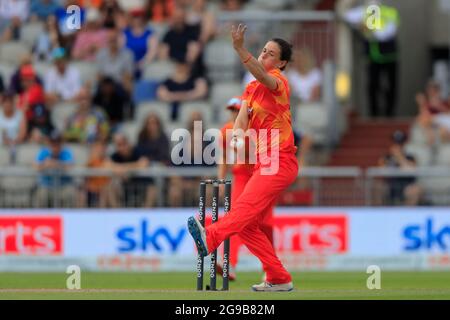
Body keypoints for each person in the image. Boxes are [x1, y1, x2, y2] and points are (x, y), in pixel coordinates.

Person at [187, 24, 298, 292]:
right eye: (263, 51)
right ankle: (279, 277)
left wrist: (239, 49)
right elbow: (241, 120)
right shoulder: (250, 89)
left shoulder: (279, 83)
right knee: (247, 225)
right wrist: (237, 136)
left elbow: (262, 74)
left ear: (281, 63)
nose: (264, 56)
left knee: (243, 210)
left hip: (280, 159)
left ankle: (210, 237)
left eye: (271, 54)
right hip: (264, 161)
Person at [343, 0, 400, 117]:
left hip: (390, 57)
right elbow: (347, 16)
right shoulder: (366, 11)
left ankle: (390, 114)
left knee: (391, 87)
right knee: (373, 87)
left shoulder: (390, 12)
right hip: (374, 58)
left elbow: (385, 34)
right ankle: (374, 114)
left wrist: (368, 28)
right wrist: (361, 25)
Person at [33, 130, 76, 207]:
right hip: (47, 185)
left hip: (63, 185)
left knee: (70, 192)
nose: (55, 145)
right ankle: (41, 217)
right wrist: (45, 165)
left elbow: (70, 166)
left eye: (57, 142)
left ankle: (68, 218)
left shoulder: (66, 152)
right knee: (41, 194)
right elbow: (36, 166)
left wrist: (56, 164)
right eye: (53, 143)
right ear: (49, 143)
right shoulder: (44, 152)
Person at [378, 130, 422, 206]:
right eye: (395, 143)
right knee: (378, 189)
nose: (398, 146)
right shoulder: (385, 158)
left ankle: (407, 214)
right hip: (390, 185)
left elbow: (412, 170)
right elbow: (381, 171)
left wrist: (400, 157)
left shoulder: (410, 157)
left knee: (415, 190)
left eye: (400, 143)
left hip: (407, 185)